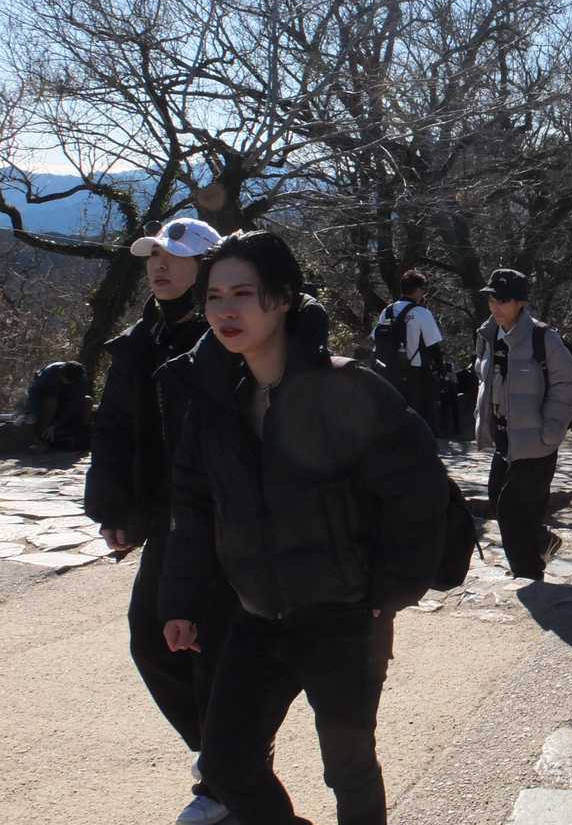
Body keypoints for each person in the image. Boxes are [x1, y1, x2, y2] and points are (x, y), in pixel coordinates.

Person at [160, 230, 449, 825]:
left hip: (343, 617)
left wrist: (389, 592)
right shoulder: (214, 402)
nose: (226, 310)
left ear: (284, 298)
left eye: (243, 293)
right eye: (214, 297)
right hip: (258, 615)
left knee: (348, 768)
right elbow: (193, 506)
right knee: (226, 763)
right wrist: (181, 600)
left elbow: (420, 493)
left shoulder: (347, 388)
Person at [86, 215, 232, 825]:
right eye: (152, 257)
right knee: (151, 638)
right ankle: (225, 759)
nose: (159, 265)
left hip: (222, 515)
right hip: (168, 515)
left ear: (207, 266)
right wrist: (115, 509)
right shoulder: (139, 340)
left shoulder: (225, 336)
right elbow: (116, 430)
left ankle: (227, 776)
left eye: (175, 256)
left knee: (213, 646)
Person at [473, 268, 572, 580]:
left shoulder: (542, 338)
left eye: (503, 300)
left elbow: (568, 385)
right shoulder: (488, 334)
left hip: (536, 444)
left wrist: (550, 431)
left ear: (520, 302)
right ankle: (542, 543)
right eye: (491, 299)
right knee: (498, 499)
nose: (495, 306)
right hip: (504, 438)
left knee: (512, 509)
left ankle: (528, 574)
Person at [371, 268, 445, 433]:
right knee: (418, 414)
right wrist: (440, 369)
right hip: (415, 371)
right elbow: (433, 346)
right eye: (422, 289)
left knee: (393, 413)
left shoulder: (387, 311)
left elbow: (375, 337)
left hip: (388, 371)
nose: (423, 293)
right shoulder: (422, 313)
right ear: (417, 290)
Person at [25, 360, 91, 451]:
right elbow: (34, 393)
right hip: (47, 405)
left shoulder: (81, 380)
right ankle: (41, 440)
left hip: (66, 408)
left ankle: (82, 436)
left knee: (88, 400)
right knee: (51, 401)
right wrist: (33, 413)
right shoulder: (49, 372)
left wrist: (56, 425)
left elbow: (75, 404)